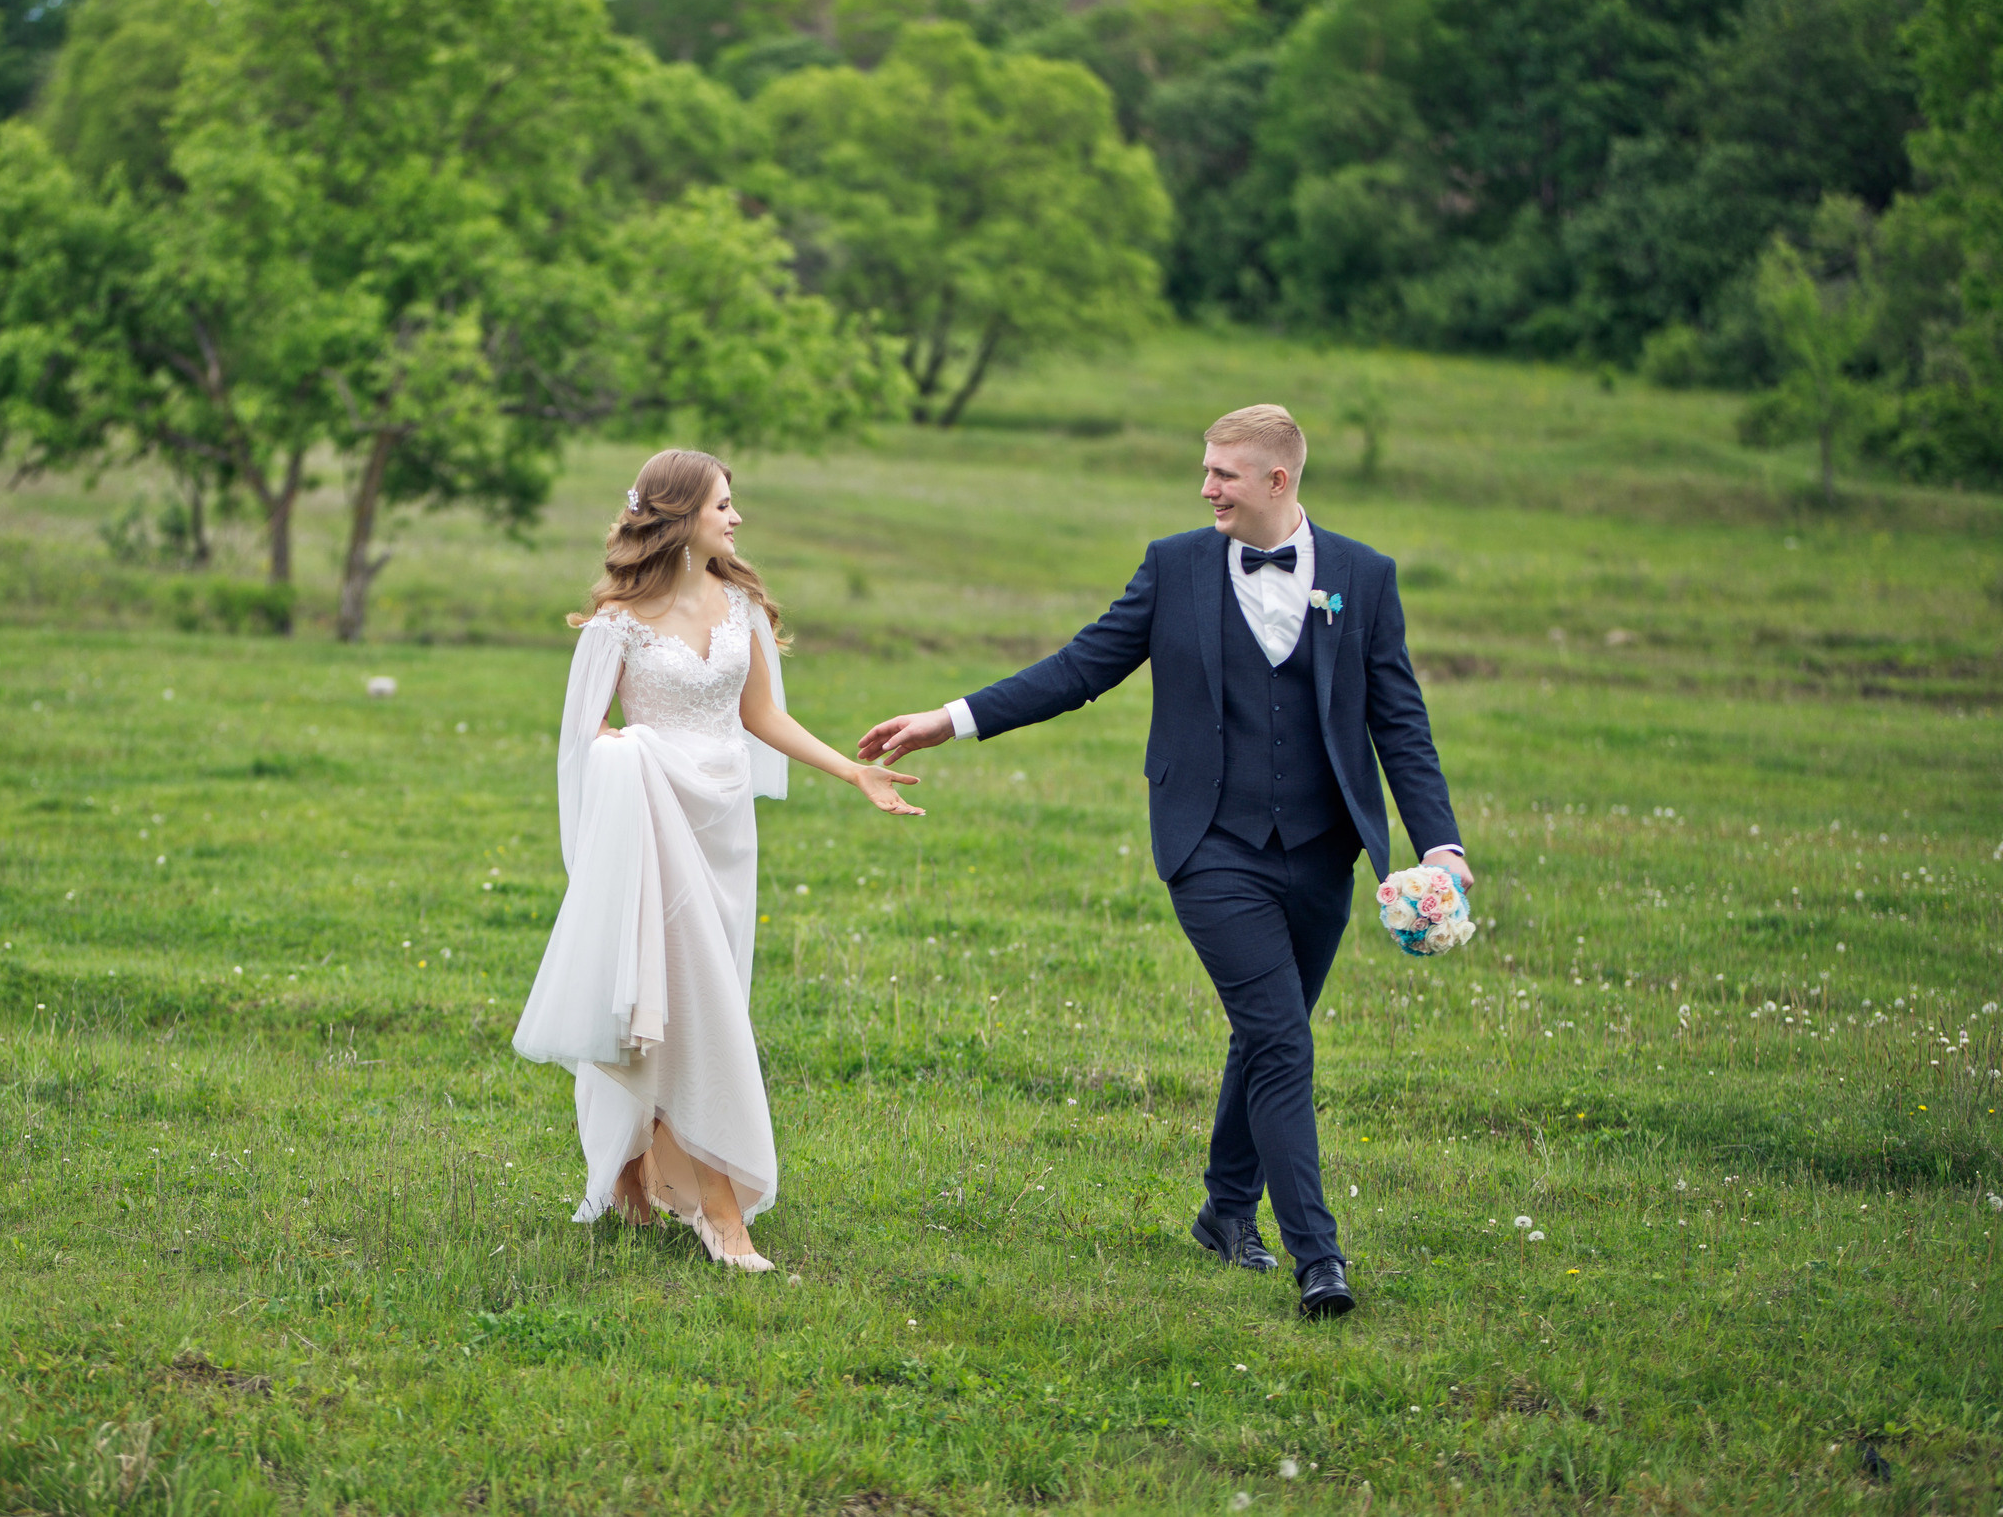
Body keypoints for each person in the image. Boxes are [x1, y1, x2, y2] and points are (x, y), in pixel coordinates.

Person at [857, 405, 1472, 1318]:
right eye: (1205, 469)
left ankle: (1224, 1214)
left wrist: (1442, 844)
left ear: (1278, 480)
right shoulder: (1173, 566)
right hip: (1210, 845)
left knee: (1268, 1034)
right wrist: (951, 719)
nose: (1206, 485)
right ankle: (1319, 1256)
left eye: (1225, 472)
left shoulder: (1364, 578)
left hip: (1324, 849)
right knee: (1283, 1040)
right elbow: (1078, 669)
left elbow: (1400, 722)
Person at [513, 448, 924, 1272]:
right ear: (679, 516)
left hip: (724, 826)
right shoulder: (615, 625)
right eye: (723, 506)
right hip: (653, 820)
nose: (736, 519)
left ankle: (637, 1175)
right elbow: (583, 739)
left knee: (705, 998)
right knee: (682, 1003)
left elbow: (762, 714)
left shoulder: (739, 604)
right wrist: (631, 759)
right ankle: (721, 1209)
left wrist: (850, 771)